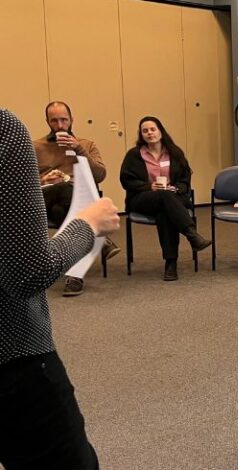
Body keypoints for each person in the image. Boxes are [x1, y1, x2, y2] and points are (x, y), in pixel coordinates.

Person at [1, 108, 120, 469]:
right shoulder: (7, 132)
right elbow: (28, 273)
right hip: (13, 358)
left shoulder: (84, 145)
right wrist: (88, 224)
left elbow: (98, 172)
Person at [33, 101, 120, 297]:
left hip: (72, 203)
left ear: (72, 119)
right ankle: (101, 240)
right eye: (54, 121)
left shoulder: (86, 144)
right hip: (44, 199)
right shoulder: (36, 147)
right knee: (64, 189)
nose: (60, 125)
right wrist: (43, 178)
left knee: (67, 214)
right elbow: (23, 182)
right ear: (47, 122)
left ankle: (74, 278)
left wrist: (79, 149)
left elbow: (100, 175)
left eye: (64, 120)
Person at [119, 116, 212, 281]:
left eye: (153, 129)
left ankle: (171, 263)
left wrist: (175, 188)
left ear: (160, 131)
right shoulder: (134, 155)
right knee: (163, 198)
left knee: (165, 212)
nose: (149, 133)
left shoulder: (174, 152)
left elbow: (185, 180)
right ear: (141, 134)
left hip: (173, 197)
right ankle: (191, 234)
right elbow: (126, 180)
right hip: (143, 198)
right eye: (145, 131)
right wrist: (149, 187)